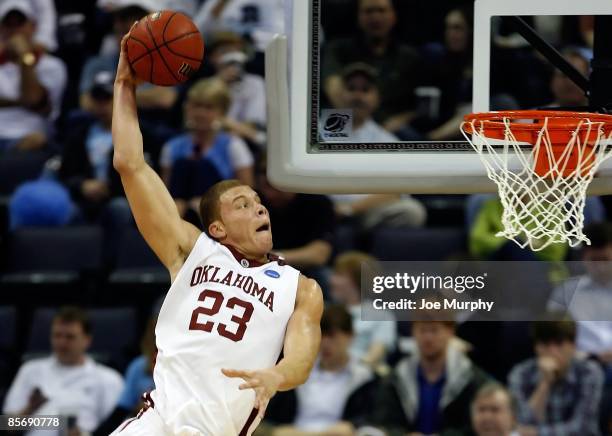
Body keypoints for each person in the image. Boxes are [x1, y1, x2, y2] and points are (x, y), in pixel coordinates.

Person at [110, 29, 324, 435]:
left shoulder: (301, 288)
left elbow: (302, 357)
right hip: (154, 420)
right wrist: (124, 84)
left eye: (259, 202)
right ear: (217, 228)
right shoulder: (194, 250)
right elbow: (130, 164)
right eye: (242, 204)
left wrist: (278, 377)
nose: (259, 206)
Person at [2, 306, 124, 436]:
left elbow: (121, 429)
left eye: (69, 337)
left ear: (87, 340)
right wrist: (30, 408)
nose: (62, 343)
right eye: (57, 335)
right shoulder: (30, 370)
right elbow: (6, 425)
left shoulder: (108, 379)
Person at [264, 305, 379, 436]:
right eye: (320, 335)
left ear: (350, 336)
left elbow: (360, 425)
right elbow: (274, 423)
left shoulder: (364, 378)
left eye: (332, 336)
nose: (325, 343)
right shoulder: (298, 370)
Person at [372, 316, 489, 435]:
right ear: (413, 332)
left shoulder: (471, 378)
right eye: (422, 330)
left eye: (434, 330)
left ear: (450, 332)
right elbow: (384, 422)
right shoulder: (396, 378)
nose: (428, 338)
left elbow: (475, 427)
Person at [160, 77, 255, 222]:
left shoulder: (234, 146)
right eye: (197, 106)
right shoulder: (171, 147)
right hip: (178, 212)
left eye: (209, 107)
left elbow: (248, 195)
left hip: (222, 216)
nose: (201, 113)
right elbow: (165, 193)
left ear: (221, 112)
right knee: (183, 165)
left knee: (203, 166)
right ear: (187, 108)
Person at [321, 0, 419, 131]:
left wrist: (399, 121)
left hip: (392, 127)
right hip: (346, 121)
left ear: (393, 16)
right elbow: (333, 88)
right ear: (358, 17)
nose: (375, 17)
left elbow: (419, 106)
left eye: (381, 10)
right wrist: (367, 126)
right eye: (368, 11)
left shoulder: (410, 57)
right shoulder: (338, 49)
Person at [508, 314, 604, 435]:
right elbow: (521, 423)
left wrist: (538, 433)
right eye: (545, 344)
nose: (552, 351)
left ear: (573, 346)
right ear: (536, 347)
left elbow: (583, 427)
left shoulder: (589, 372)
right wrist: (544, 383)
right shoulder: (520, 373)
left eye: (559, 343)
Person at [0, 0, 67, 152]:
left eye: (20, 24)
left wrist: (25, 57)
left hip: (26, 138)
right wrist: (19, 102)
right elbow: (27, 102)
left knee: (36, 140)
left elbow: (33, 99)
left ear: (33, 27)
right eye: (8, 25)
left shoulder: (52, 66)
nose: (14, 30)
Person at [548, 223, 612, 369]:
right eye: (594, 260)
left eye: (605, 259)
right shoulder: (565, 292)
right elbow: (550, 337)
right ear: (583, 258)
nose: (600, 267)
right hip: (578, 366)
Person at [330, 251, 396, 369]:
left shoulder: (381, 316)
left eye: (339, 275)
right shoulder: (326, 312)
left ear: (357, 280)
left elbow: (375, 355)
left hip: (361, 377)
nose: (332, 280)